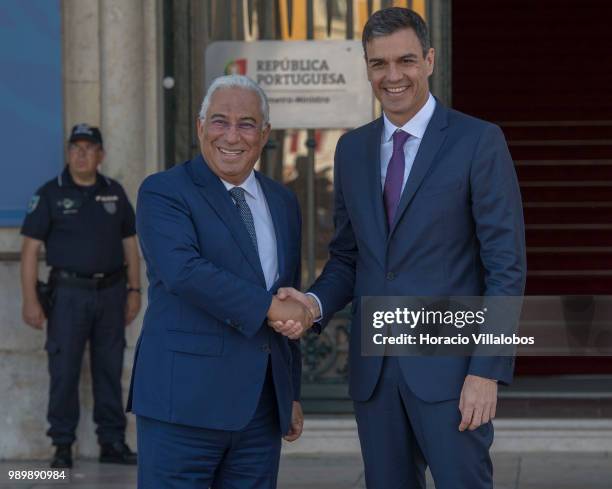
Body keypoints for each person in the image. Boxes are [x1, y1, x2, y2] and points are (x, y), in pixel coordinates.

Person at [271, 7, 526, 489]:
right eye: (379, 64)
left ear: (429, 60)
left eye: (405, 61)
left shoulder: (478, 141)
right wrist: (315, 303)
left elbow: (506, 267)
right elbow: (349, 256)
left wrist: (486, 371)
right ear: (366, 67)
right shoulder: (352, 150)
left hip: (450, 374)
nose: (393, 76)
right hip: (376, 375)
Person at [128, 75, 310, 489]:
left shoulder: (282, 202)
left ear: (264, 134)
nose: (232, 135)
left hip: (259, 413)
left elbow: (288, 289)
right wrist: (269, 308)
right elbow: (184, 272)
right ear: (199, 127)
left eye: (246, 123)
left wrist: (291, 393)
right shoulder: (164, 191)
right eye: (219, 121)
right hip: (183, 408)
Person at [20, 123, 141, 468]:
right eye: (76, 147)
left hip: (111, 293)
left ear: (101, 155)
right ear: (68, 153)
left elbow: (130, 244)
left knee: (109, 369)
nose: (82, 154)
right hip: (68, 296)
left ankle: (112, 442)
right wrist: (30, 299)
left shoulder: (114, 193)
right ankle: (62, 445)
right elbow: (29, 250)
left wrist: (135, 290)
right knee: (64, 370)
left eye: (89, 148)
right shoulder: (49, 194)